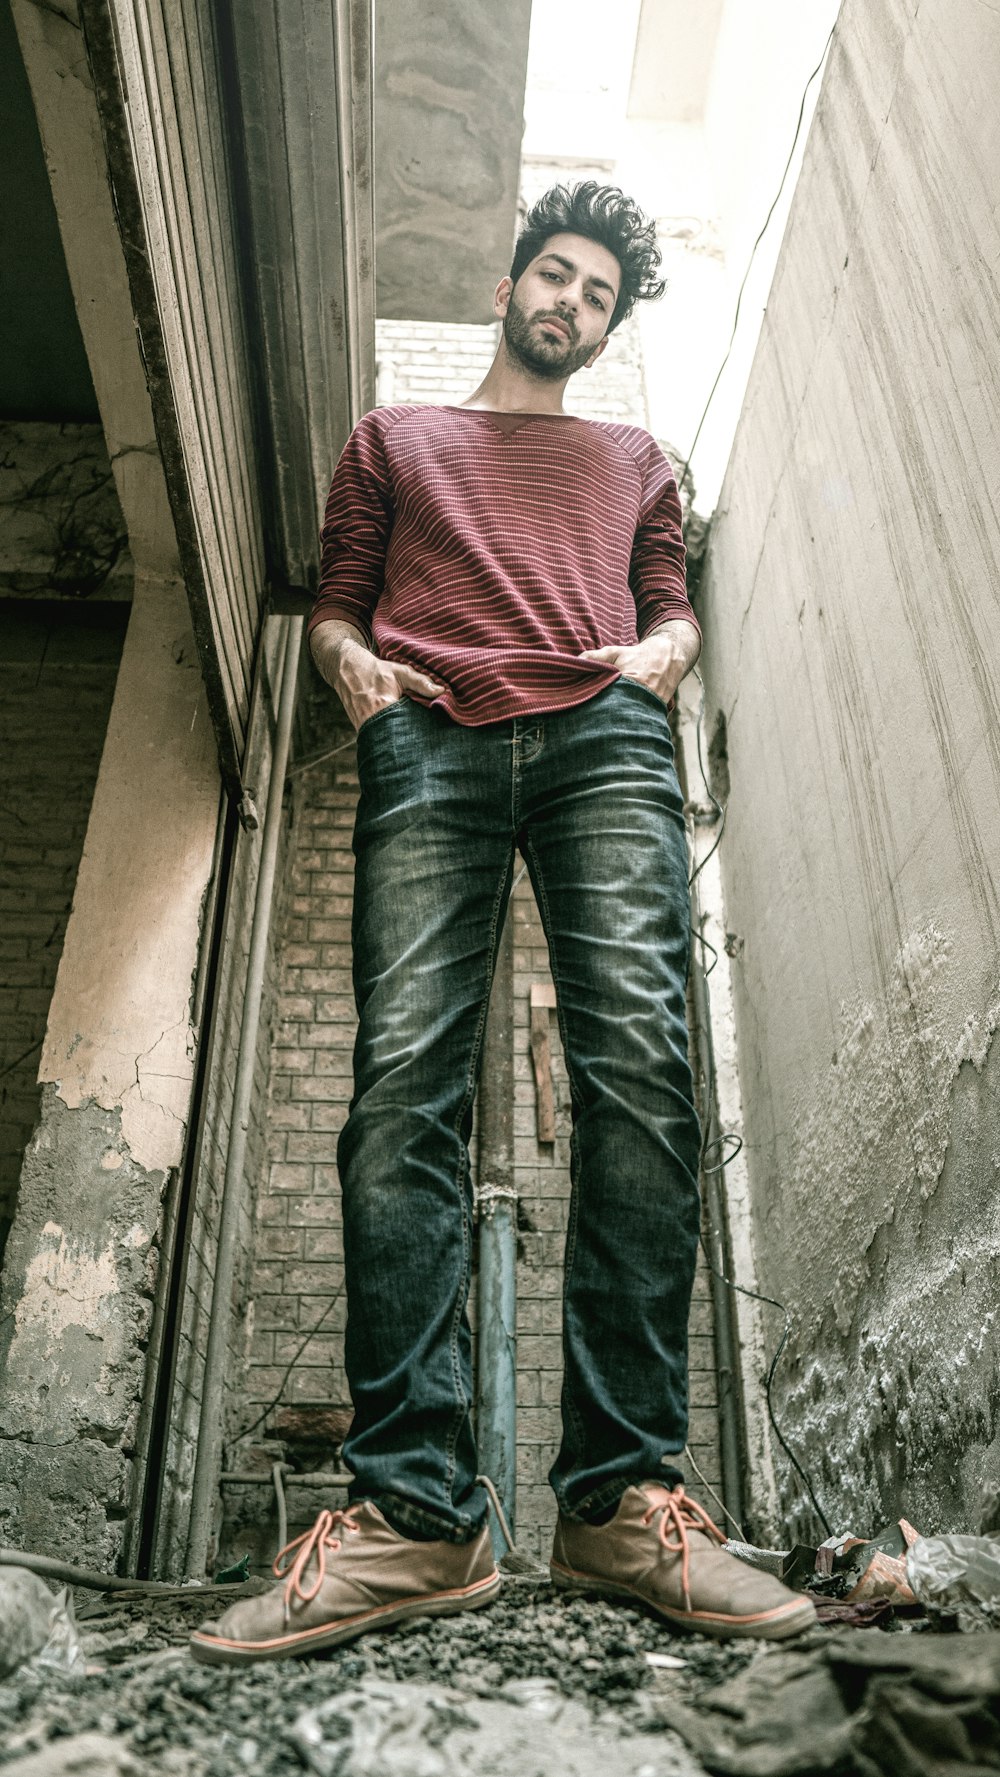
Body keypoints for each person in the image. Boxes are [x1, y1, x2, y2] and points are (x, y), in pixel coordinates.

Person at [191, 183, 813, 1665]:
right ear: (509, 281)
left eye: (601, 295)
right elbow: (336, 603)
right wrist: (351, 669)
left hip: (604, 732)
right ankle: (416, 1513)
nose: (575, 306)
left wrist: (658, 656)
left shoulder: (634, 456)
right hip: (431, 729)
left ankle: (618, 1496)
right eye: (558, 277)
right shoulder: (393, 440)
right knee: (402, 1086)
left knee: (645, 1074)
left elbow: (672, 607)